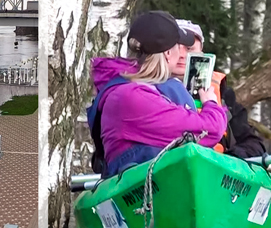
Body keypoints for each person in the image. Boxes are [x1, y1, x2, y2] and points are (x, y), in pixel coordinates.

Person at [88, 11, 228, 178]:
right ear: (168, 53)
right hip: (148, 195)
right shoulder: (133, 98)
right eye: (179, 46)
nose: (183, 54)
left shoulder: (127, 89)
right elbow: (209, 130)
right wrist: (211, 104)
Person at [168, 19, 266, 159]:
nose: (182, 55)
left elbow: (254, 143)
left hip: (216, 166)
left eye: (189, 49)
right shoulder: (145, 90)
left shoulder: (222, 92)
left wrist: (228, 159)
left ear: (201, 53)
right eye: (175, 47)